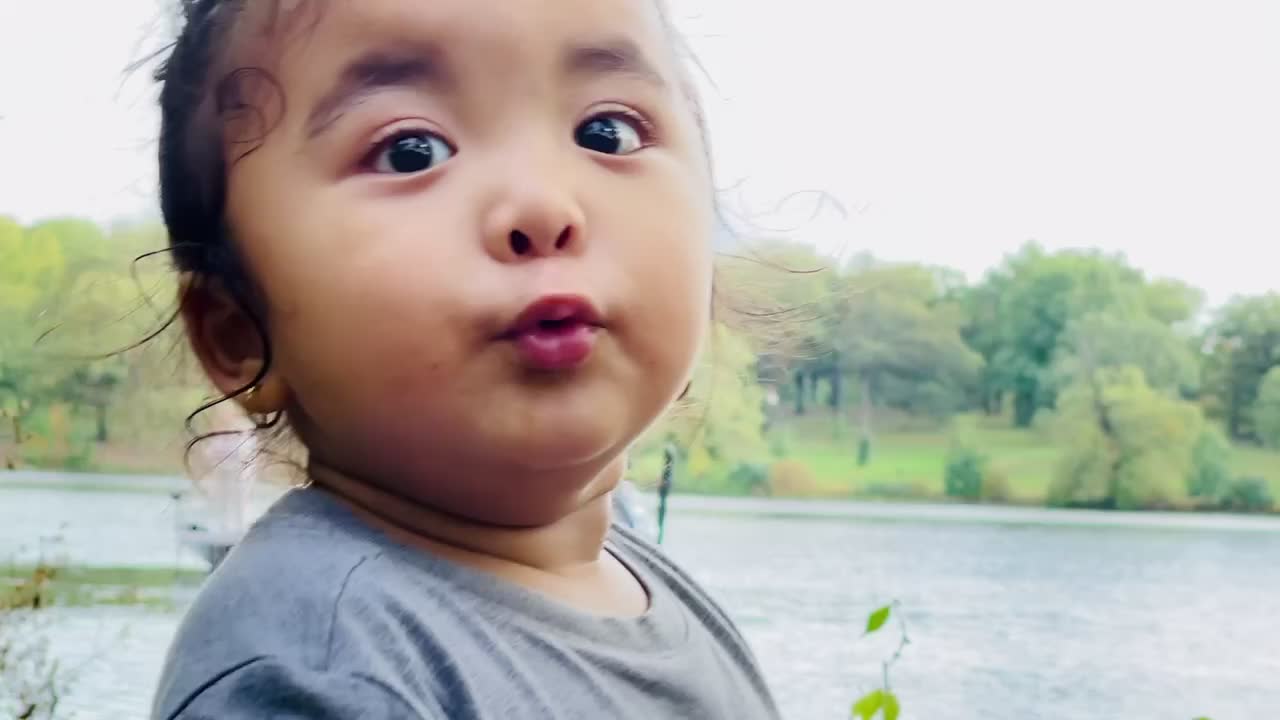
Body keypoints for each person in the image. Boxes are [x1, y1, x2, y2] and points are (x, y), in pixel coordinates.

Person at [150, 0, 781, 718]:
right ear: (237, 332)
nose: (543, 206)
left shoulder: (654, 588)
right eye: (410, 150)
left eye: (607, 132)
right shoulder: (322, 672)